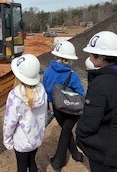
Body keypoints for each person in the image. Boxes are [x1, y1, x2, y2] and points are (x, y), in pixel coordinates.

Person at [76, 31, 117, 172]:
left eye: (91, 53)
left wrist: (79, 134)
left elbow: (90, 122)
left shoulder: (101, 83)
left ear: (101, 57)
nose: (89, 56)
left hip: (102, 145)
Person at [42, 40, 85, 171]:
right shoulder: (73, 76)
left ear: (56, 55)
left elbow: (45, 90)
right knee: (66, 132)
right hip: (72, 109)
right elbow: (81, 94)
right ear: (70, 59)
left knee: (66, 131)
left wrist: (49, 107)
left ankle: (76, 154)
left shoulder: (48, 72)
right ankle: (58, 162)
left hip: (57, 107)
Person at [3, 54, 47, 172]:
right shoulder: (42, 90)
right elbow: (44, 114)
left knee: (21, 167)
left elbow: (10, 122)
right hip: (36, 138)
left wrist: (7, 140)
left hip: (22, 141)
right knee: (32, 162)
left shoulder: (15, 96)